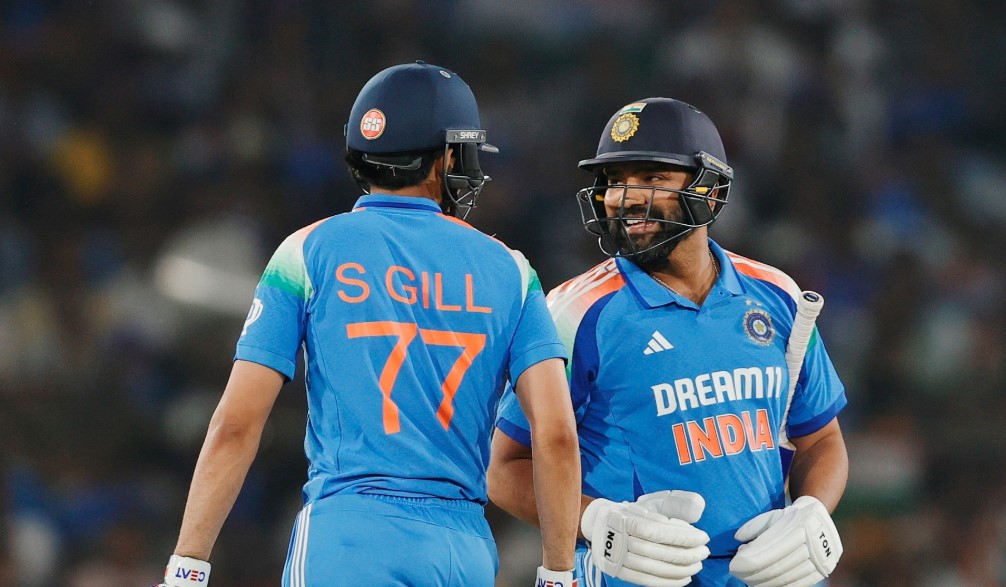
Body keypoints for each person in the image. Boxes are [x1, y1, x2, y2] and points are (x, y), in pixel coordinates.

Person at [153, 61, 581, 587]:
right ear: (445, 158)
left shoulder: (307, 251)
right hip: (461, 549)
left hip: (348, 537)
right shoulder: (511, 271)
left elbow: (237, 425)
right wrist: (560, 574)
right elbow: (556, 436)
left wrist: (188, 568)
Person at [487, 97, 849, 587]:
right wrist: (594, 519)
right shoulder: (576, 312)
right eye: (615, 181)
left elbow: (821, 438)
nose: (626, 197)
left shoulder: (777, 295)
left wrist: (812, 510)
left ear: (710, 190)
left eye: (652, 178)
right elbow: (505, 469)